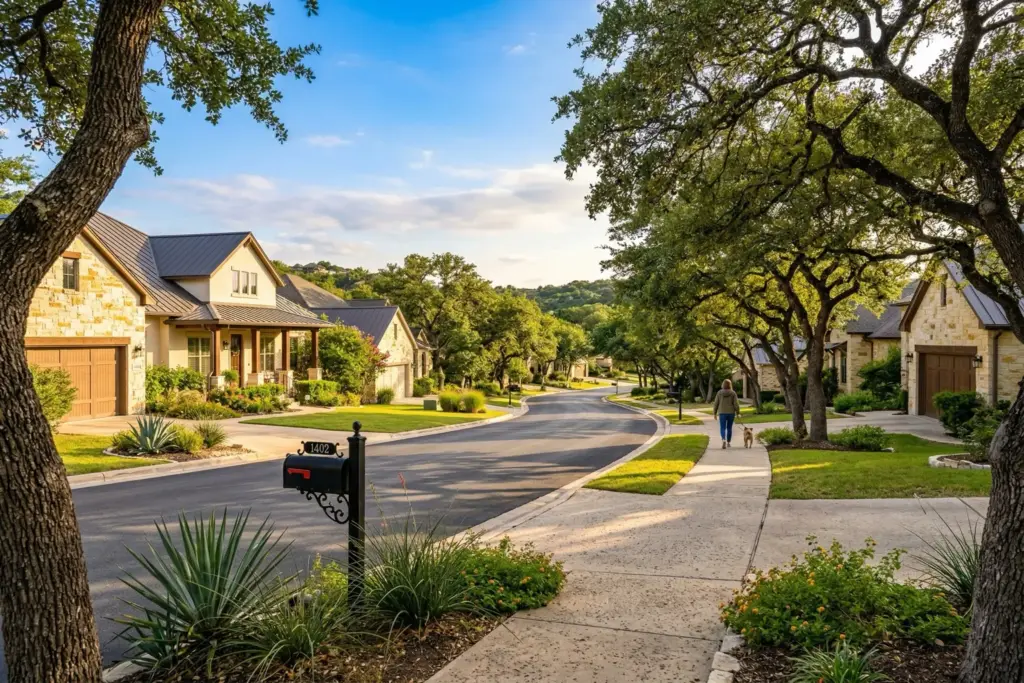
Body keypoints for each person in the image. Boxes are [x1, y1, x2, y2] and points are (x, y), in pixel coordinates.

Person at [712, 379, 741, 448]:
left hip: (722, 412)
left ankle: (723, 440)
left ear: (723, 384)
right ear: (730, 385)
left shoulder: (719, 393)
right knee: (729, 428)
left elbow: (716, 403)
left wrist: (714, 413)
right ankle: (728, 442)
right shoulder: (733, 393)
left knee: (722, 427)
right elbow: (736, 404)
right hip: (731, 413)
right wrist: (738, 412)